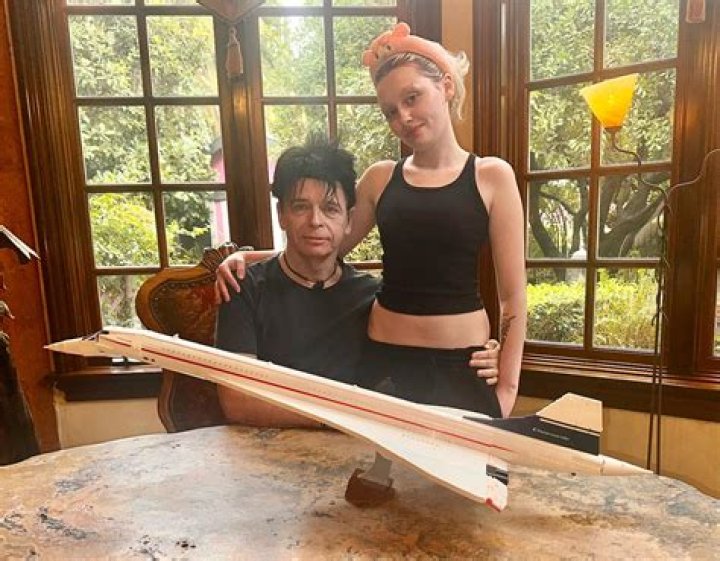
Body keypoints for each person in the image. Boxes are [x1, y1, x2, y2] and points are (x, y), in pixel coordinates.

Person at [217, 22, 524, 419]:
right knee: (373, 463)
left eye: (412, 97)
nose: (404, 117)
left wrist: (507, 387)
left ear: (446, 86)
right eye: (391, 111)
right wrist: (247, 259)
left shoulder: (493, 176)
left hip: (463, 367)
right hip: (384, 366)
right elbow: (324, 243)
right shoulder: (381, 179)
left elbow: (512, 297)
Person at [214, 137, 501, 427]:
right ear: (281, 215)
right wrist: (342, 415)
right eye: (301, 207)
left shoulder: (372, 298)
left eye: (330, 208)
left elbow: (426, 350)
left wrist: (482, 355)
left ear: (349, 220)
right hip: (270, 447)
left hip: (358, 446)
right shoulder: (243, 288)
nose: (316, 221)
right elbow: (237, 401)